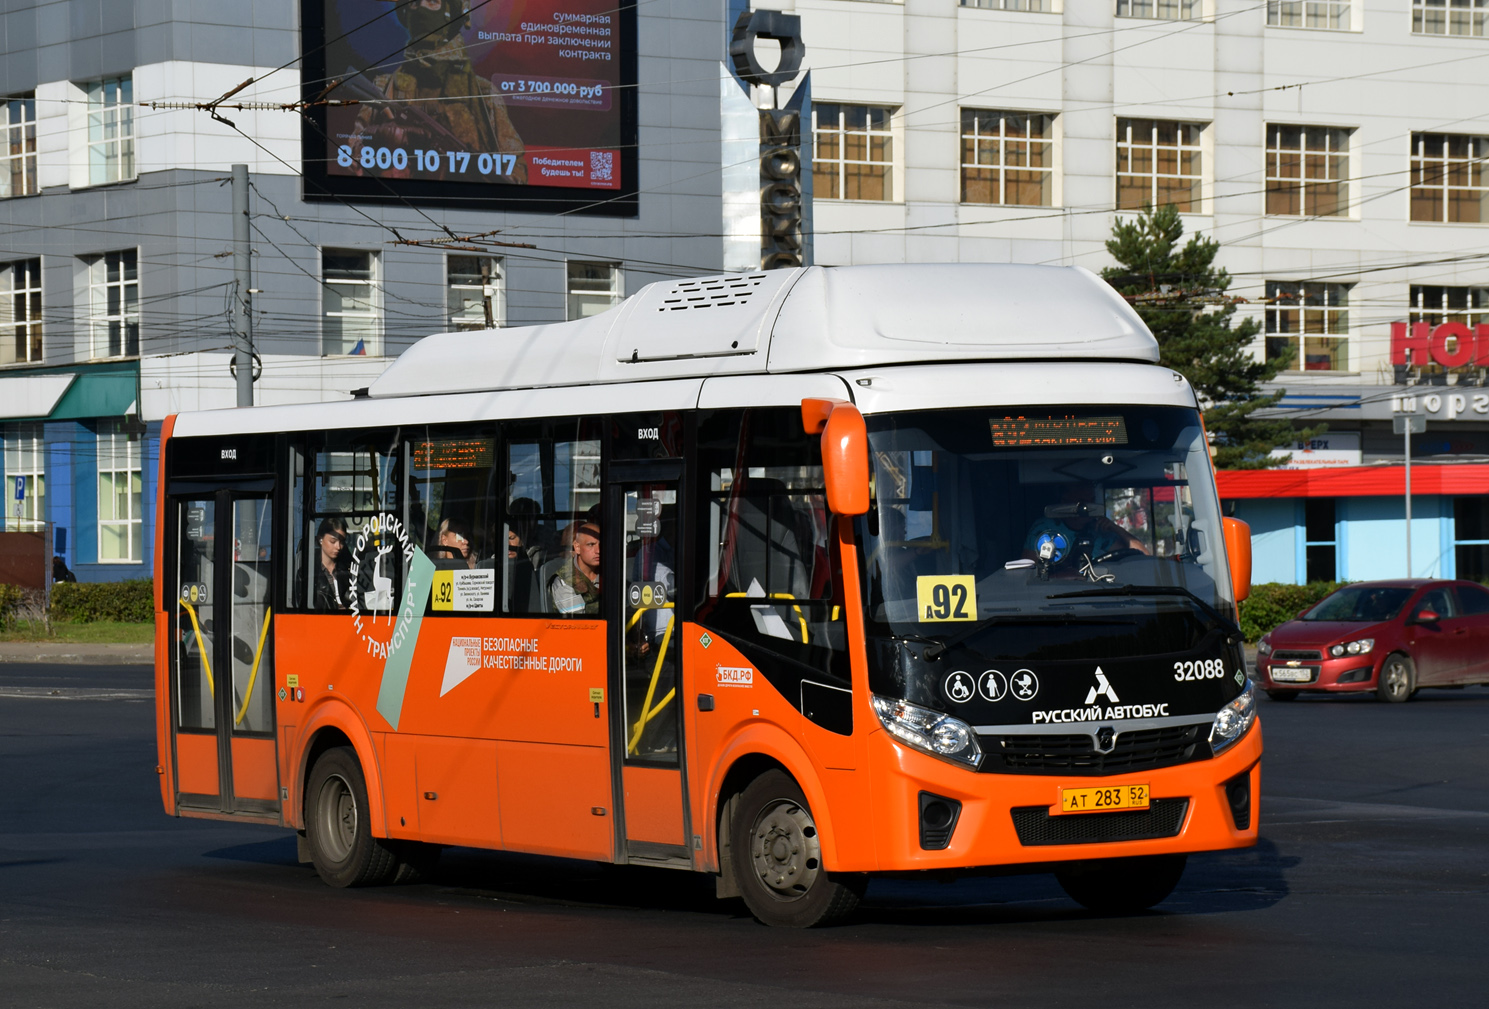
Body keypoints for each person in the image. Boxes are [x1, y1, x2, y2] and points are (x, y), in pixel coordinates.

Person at [1023, 485, 1147, 569]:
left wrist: (1116, 528)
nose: (1088, 508)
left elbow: (1143, 556)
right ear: (1065, 502)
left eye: (1092, 501)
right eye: (1082, 503)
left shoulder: (1098, 531)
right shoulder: (1045, 528)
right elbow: (1027, 569)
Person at [550, 521, 601, 615]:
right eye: (591, 545)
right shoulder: (565, 581)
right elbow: (579, 624)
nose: (598, 551)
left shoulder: (610, 571)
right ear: (577, 547)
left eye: (601, 545)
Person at [314, 517, 351, 611]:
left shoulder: (349, 570)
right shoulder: (308, 573)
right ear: (320, 539)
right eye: (333, 541)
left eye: (342, 542)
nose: (338, 547)